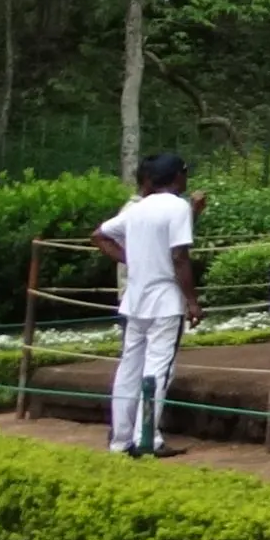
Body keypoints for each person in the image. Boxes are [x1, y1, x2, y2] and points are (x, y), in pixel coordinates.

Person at [95, 151, 199, 454]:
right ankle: (148, 439)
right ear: (177, 177)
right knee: (157, 370)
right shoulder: (177, 207)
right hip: (164, 301)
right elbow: (180, 257)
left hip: (134, 301)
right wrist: (192, 301)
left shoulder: (137, 209)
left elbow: (99, 235)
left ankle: (120, 439)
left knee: (129, 369)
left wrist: (134, 260)